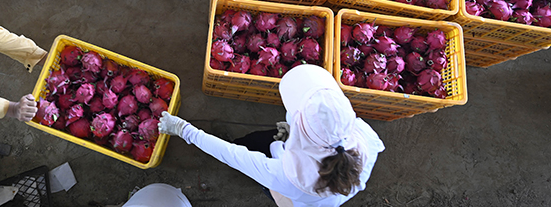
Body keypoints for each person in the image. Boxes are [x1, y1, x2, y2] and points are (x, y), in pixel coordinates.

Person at [158, 64, 384, 207]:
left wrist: (183, 129)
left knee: (269, 178)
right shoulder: (363, 136)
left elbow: (231, 154)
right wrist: (292, 134)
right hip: (328, 198)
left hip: (296, 200)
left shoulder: (284, 177)